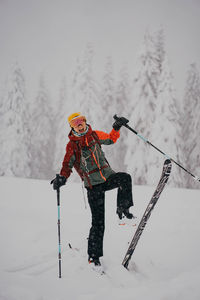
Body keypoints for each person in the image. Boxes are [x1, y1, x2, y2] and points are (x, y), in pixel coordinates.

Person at [51, 112, 134, 270]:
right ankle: (93, 257)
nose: (79, 124)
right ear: (71, 127)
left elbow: (110, 139)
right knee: (98, 223)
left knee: (125, 178)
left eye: (80, 121)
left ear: (85, 121)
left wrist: (116, 127)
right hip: (93, 185)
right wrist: (62, 177)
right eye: (75, 123)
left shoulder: (94, 135)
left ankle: (123, 210)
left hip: (107, 178)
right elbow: (67, 164)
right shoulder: (72, 145)